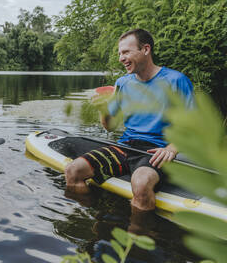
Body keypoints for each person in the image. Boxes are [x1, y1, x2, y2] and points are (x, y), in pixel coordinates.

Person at [65, 29, 194, 211]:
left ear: (146, 49)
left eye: (126, 52)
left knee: (141, 184)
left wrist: (171, 149)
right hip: (125, 146)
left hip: (155, 151)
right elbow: (109, 127)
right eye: (119, 53)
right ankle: (96, 216)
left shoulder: (177, 80)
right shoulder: (123, 83)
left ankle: (139, 236)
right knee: (73, 171)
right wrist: (103, 108)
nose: (121, 58)